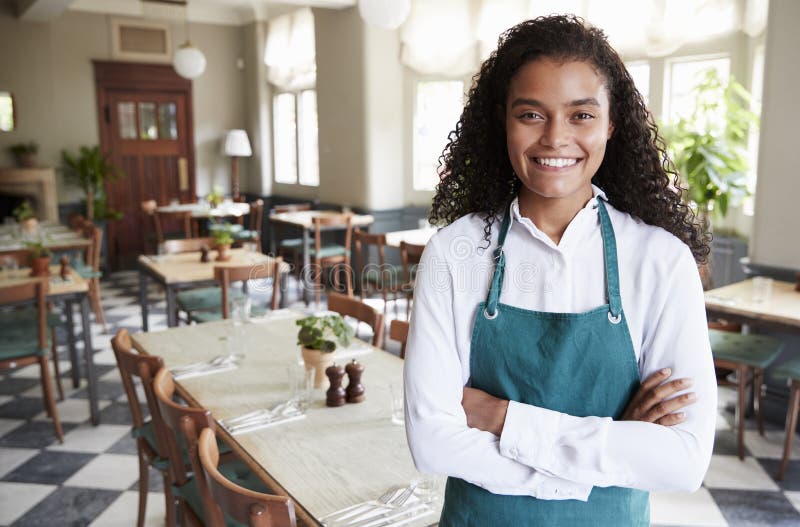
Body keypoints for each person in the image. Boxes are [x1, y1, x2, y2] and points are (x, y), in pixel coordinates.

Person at [403, 14, 717, 527]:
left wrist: (501, 418)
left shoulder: (660, 261)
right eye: (531, 114)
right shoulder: (454, 253)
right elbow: (433, 444)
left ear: (611, 124)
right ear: (503, 120)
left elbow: (682, 460)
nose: (555, 138)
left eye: (581, 115)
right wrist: (610, 449)